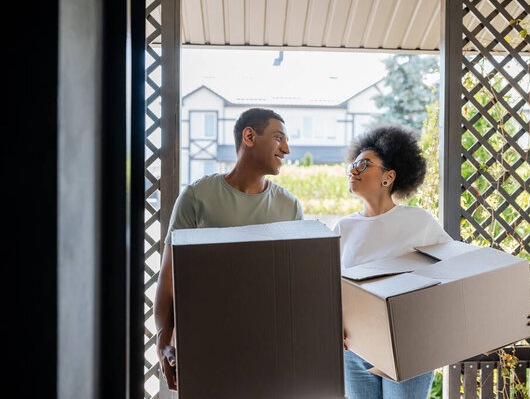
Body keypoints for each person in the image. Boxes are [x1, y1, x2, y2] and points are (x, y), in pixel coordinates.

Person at [154, 108, 303, 391]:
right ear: (249, 136)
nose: (286, 149)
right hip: (204, 348)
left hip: (269, 355)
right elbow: (169, 278)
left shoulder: (290, 206)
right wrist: (163, 343)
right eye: (278, 138)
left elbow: (294, 287)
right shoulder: (197, 197)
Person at [333, 125, 451, 399]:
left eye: (364, 164)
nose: (353, 170)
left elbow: (456, 270)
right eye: (353, 164)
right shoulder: (343, 227)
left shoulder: (418, 221)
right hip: (355, 348)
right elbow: (329, 286)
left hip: (408, 342)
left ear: (389, 177)